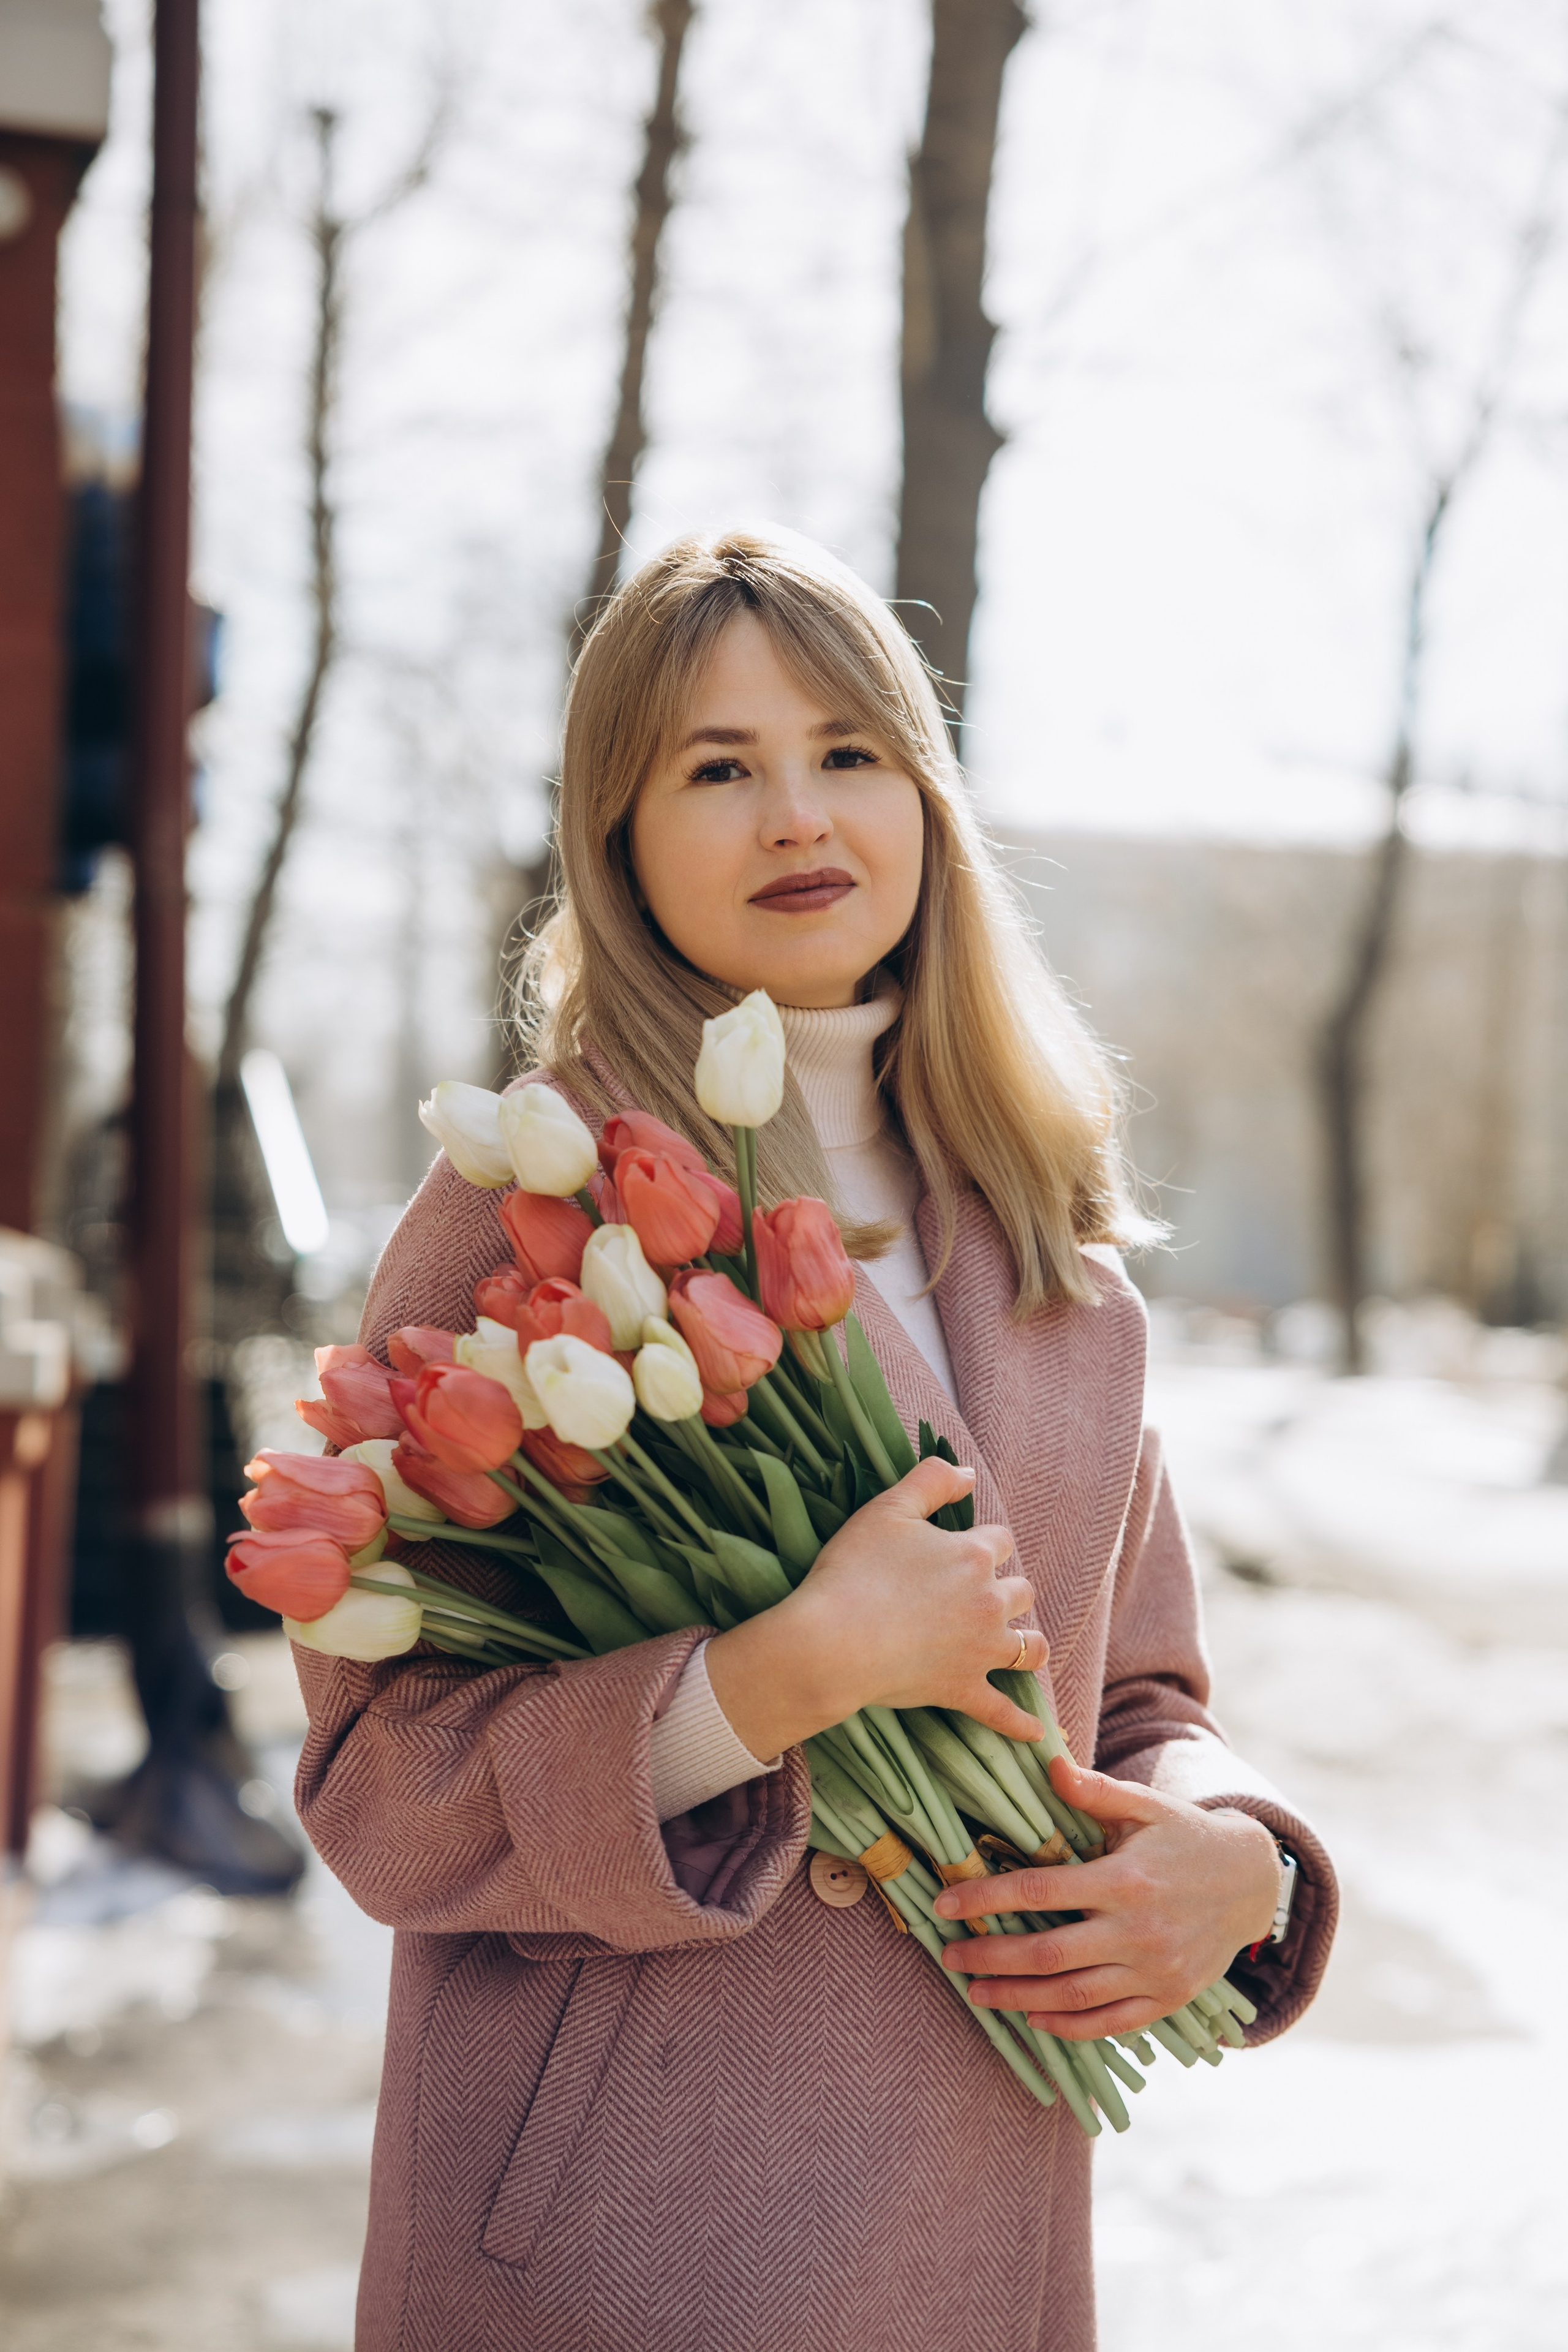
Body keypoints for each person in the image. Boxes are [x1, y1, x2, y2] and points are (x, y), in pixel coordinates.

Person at [293, 526, 1336, 2352]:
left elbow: (1142, 1701)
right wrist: (766, 1683)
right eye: (719, 769)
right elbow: (384, 1793)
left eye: (848, 753)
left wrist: (1230, 1857)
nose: (799, 817)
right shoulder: (529, 1202)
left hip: (975, 2210)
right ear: (617, 839)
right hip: (620, 2229)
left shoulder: (1046, 1252)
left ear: (927, 806)